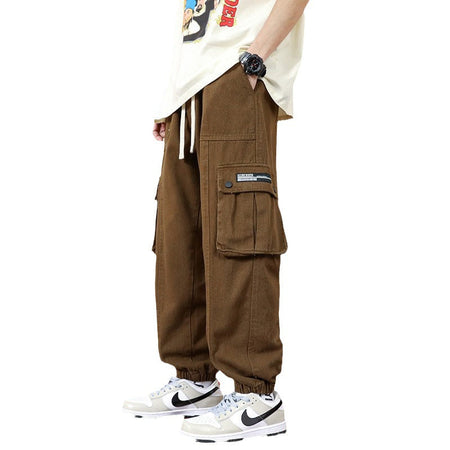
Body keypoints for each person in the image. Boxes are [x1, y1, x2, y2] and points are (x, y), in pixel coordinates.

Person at [123, 0, 309, 442]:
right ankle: (194, 378)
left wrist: (256, 57)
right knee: (179, 235)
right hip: (189, 92)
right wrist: (173, 96)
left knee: (241, 227)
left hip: (238, 74)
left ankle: (257, 395)